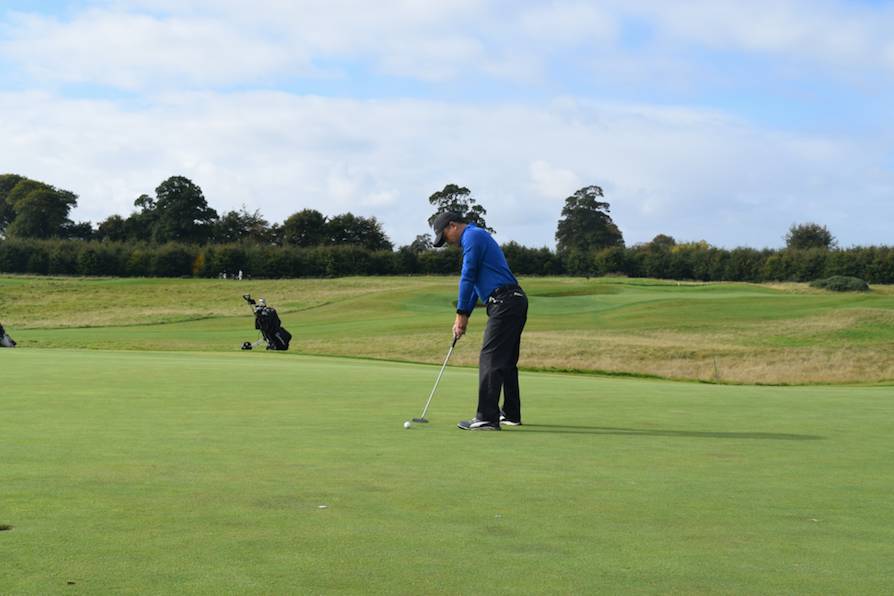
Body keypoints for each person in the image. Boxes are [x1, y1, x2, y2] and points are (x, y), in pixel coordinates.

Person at [431, 211, 528, 430]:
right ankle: (511, 413)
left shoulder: (472, 238)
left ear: (452, 226)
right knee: (506, 361)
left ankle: (486, 416)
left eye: (445, 237)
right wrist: (465, 315)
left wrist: (460, 313)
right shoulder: (477, 236)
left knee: (491, 358)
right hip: (513, 301)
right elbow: (475, 283)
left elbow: (468, 275)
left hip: (505, 302)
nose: (447, 242)